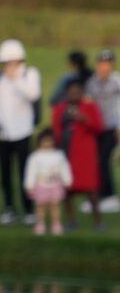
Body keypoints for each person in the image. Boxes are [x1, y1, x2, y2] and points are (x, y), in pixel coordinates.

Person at [0, 39, 42, 225]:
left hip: (23, 131)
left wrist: (15, 79)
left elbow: (33, 94)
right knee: (5, 173)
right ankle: (9, 208)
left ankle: (29, 209)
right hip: (3, 133)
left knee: (26, 171)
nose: (6, 66)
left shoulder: (29, 74)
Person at [52, 77, 105, 232]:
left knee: (92, 189)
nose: (74, 94)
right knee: (68, 190)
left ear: (82, 92)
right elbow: (56, 129)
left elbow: (99, 128)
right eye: (71, 92)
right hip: (66, 153)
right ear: (67, 93)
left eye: (77, 92)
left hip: (85, 154)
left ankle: (98, 221)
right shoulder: (61, 108)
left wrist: (83, 119)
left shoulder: (90, 107)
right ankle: (71, 221)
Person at [25, 129, 73, 236]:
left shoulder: (58, 155)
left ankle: (56, 224)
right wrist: (29, 184)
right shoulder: (35, 156)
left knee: (55, 206)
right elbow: (31, 171)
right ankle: (40, 224)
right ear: (39, 142)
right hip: (41, 185)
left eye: (49, 141)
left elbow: (64, 168)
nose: (47, 143)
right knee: (40, 206)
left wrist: (67, 180)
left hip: (55, 184)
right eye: (44, 141)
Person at [89, 48, 120, 214]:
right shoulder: (92, 81)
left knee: (103, 160)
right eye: (102, 63)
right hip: (95, 128)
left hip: (111, 128)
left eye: (108, 63)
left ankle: (109, 196)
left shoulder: (116, 81)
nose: (104, 66)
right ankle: (96, 195)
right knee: (94, 162)